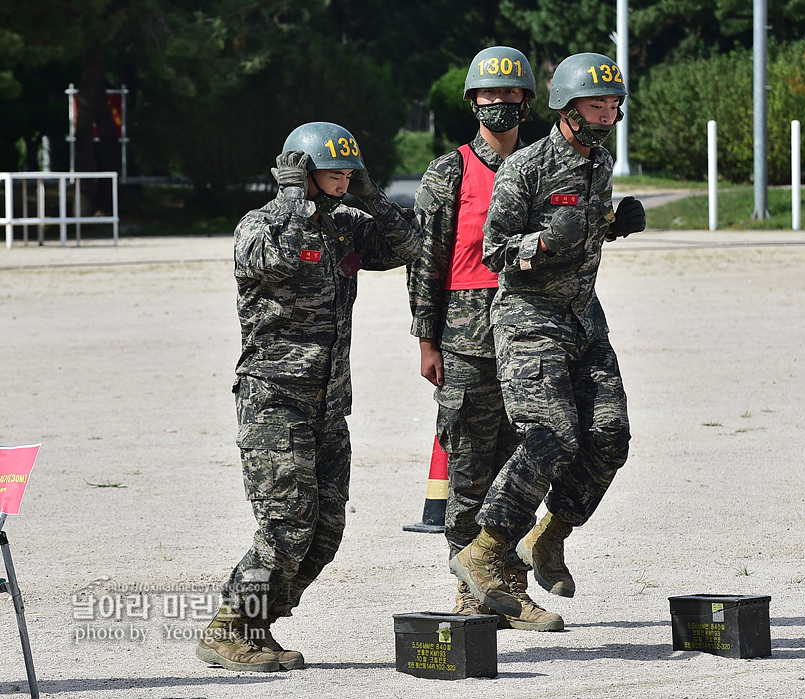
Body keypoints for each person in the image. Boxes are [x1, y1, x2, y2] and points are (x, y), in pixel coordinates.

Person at [197, 121, 421, 672]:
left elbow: (407, 244)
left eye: (349, 172)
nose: (343, 181)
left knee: (325, 527)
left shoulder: (346, 227)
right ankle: (230, 624)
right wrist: (296, 198)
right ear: (299, 170)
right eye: (333, 171)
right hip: (274, 399)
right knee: (287, 520)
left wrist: (373, 197)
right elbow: (277, 260)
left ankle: (258, 623)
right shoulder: (261, 225)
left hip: (328, 403)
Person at [449, 53, 647, 617]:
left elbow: (580, 229)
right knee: (551, 433)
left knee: (611, 436)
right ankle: (485, 550)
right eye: (595, 104)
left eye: (613, 104)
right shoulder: (526, 168)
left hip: (584, 318)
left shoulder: (599, 161)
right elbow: (496, 252)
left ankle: (550, 537)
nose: (607, 114)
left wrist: (611, 225)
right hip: (529, 318)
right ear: (565, 106)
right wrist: (545, 242)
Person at [409, 46, 562, 632]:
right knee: (471, 465)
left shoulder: (546, 165)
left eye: (508, 94)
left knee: (523, 463)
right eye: (487, 95)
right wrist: (427, 340)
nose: (498, 103)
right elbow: (426, 261)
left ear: (526, 99)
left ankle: (510, 588)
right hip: (465, 334)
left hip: (531, 328)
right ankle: (471, 592)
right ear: (473, 101)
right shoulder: (448, 173)